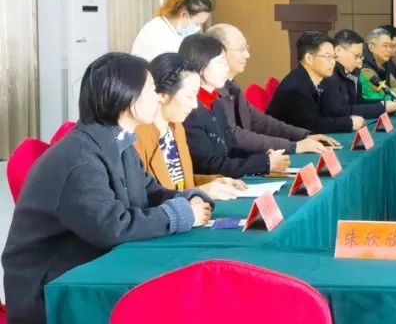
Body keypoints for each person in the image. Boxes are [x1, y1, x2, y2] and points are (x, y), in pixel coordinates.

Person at [2, 53, 212, 324]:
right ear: (128, 99)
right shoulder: (79, 158)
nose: (158, 98)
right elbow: (111, 227)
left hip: (90, 265)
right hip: (51, 292)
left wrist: (190, 199)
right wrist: (180, 214)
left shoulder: (120, 143)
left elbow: (151, 192)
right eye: (151, 90)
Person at [205, 24, 340, 153]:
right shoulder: (209, 92)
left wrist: (304, 136)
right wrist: (292, 146)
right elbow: (235, 135)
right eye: (241, 49)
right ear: (218, 53)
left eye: (247, 48)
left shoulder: (232, 87)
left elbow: (260, 121)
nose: (247, 55)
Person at [134, 53, 248, 201]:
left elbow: (180, 183)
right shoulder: (138, 137)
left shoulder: (177, 129)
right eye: (189, 96)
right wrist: (199, 191)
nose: (194, 105)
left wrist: (214, 181)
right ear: (162, 95)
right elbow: (147, 197)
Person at [179, 34, 291, 177]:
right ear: (200, 67)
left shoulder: (216, 104)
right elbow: (208, 165)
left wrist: (264, 158)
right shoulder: (189, 110)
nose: (227, 69)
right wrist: (264, 162)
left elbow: (231, 149)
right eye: (221, 63)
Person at [265, 31, 369, 134]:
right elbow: (314, 125)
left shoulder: (312, 80)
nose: (333, 62)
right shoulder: (296, 88)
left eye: (334, 57)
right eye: (328, 57)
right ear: (309, 59)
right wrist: (350, 123)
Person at [323, 29, 396, 119]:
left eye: (361, 57)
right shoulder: (329, 75)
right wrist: (382, 107)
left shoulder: (353, 72)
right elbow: (340, 110)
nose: (360, 64)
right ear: (338, 51)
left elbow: (357, 103)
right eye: (356, 56)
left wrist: (385, 104)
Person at [131, 0, 213, 61]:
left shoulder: (164, 27)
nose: (199, 28)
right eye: (197, 24)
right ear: (184, 15)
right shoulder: (159, 35)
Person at [360, 27, 396, 100]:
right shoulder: (364, 68)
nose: (389, 50)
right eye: (385, 46)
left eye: (390, 46)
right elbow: (381, 94)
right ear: (371, 47)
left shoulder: (383, 64)